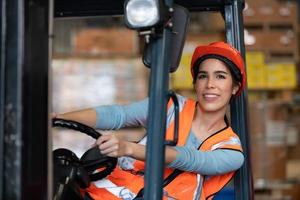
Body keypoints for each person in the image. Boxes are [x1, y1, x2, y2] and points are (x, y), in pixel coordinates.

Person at [53, 41, 246, 200]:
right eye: (203, 76)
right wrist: (57, 118)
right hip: (103, 193)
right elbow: (117, 115)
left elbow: (189, 159)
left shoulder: (231, 151)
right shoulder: (170, 106)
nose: (210, 85)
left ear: (235, 87)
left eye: (220, 77)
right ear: (195, 83)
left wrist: (128, 148)